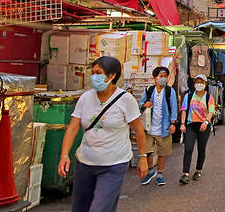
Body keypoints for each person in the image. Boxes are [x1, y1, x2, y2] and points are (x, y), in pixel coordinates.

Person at [58, 56, 147, 212]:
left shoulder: (126, 100)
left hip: (114, 165)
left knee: (99, 208)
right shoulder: (85, 98)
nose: (93, 76)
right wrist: (64, 155)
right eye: (92, 72)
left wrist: (143, 158)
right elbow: (73, 128)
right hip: (85, 163)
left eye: (98, 72)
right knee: (80, 208)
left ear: (112, 75)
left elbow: (139, 130)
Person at [138, 66, 178, 186]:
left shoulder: (170, 91)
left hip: (164, 127)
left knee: (162, 153)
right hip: (149, 127)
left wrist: (172, 123)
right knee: (148, 151)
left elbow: (174, 109)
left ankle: (160, 174)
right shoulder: (149, 90)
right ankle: (151, 171)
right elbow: (140, 103)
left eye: (165, 76)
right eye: (161, 76)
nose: (164, 79)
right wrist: (145, 104)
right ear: (155, 78)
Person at [179, 74, 215, 184]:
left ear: (205, 84)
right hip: (191, 125)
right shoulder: (189, 96)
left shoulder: (209, 97)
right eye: (197, 82)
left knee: (201, 148)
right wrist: (182, 124)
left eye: (201, 82)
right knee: (188, 148)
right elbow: (184, 110)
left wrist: (206, 121)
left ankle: (198, 170)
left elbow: (211, 111)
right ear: (194, 84)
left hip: (204, 125)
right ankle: (185, 173)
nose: (199, 84)